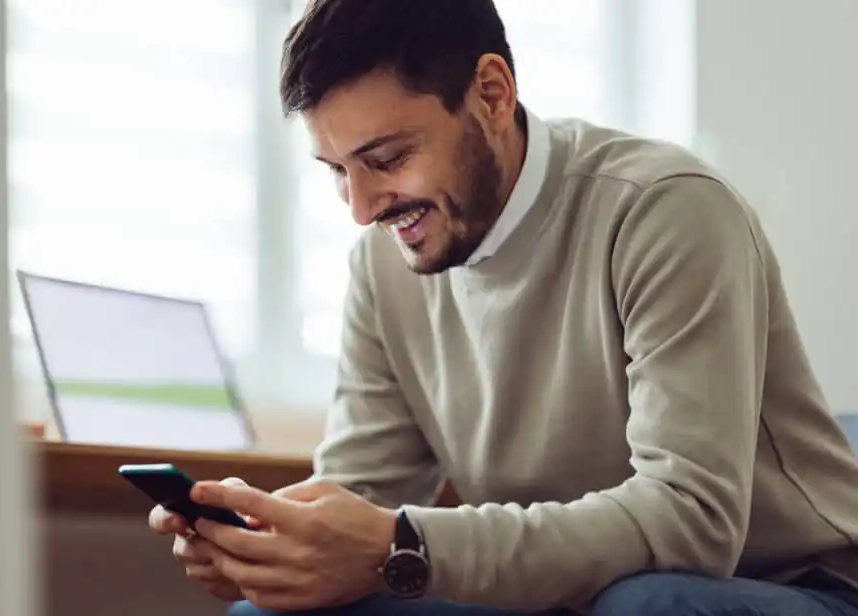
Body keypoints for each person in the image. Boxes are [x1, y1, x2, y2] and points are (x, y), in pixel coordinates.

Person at [149, 0, 858, 614]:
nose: (362, 209)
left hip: (788, 585)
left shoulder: (665, 211)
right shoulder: (384, 264)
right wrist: (273, 541)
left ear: (491, 93)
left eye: (387, 159)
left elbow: (692, 524)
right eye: (339, 171)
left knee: (649, 604)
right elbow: (361, 494)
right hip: (567, 594)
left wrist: (405, 543)